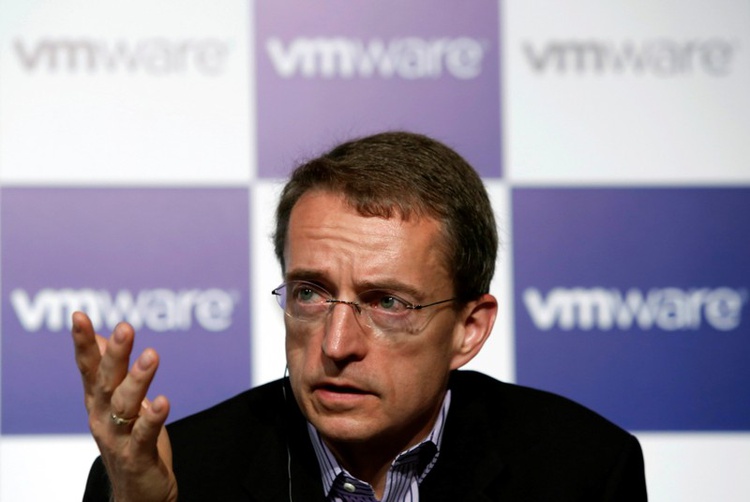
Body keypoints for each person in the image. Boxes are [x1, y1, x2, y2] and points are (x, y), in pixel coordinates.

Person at [72, 131, 647, 501]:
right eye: (310, 294)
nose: (336, 343)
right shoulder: (164, 478)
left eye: (387, 302)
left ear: (468, 330)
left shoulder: (582, 472)